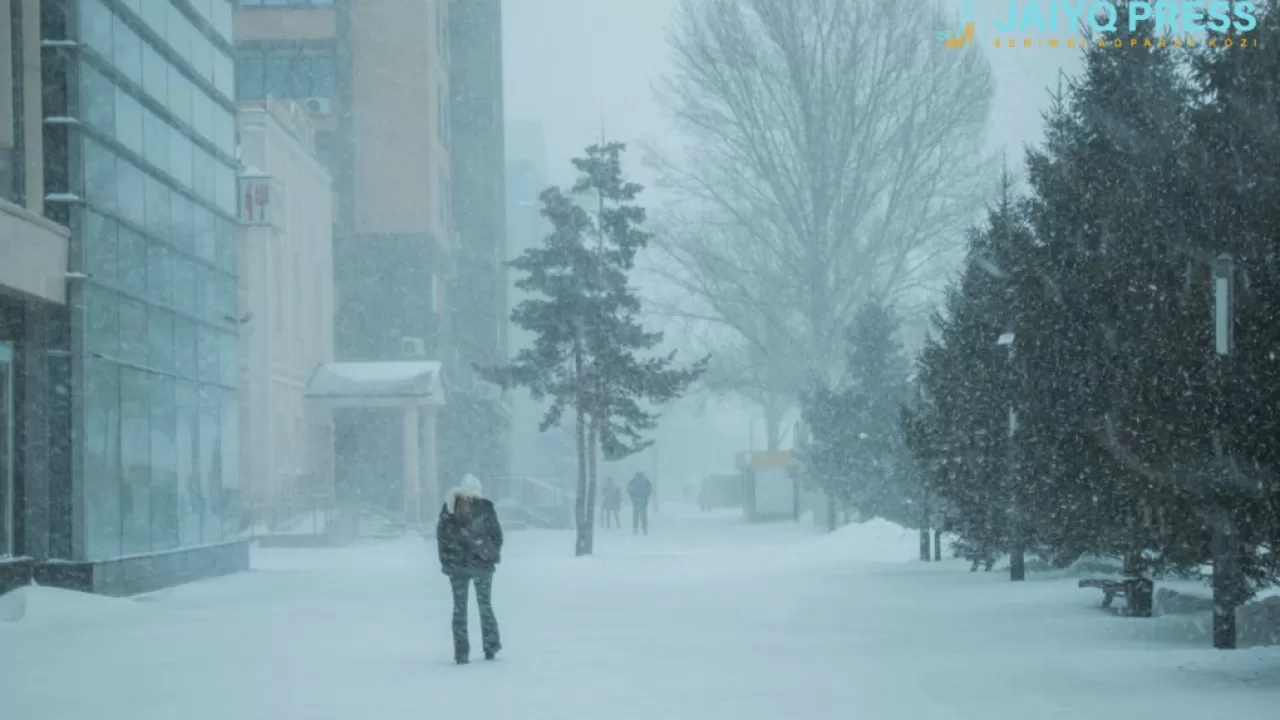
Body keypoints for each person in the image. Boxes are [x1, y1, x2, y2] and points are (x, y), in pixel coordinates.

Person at [437, 474, 503, 664]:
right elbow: (497, 537)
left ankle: (461, 652)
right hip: (482, 565)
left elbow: (442, 538)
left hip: (457, 567)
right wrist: (487, 552)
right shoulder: (486, 509)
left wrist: (448, 560)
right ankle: (491, 646)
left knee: (460, 609)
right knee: (485, 606)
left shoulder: (449, 509)